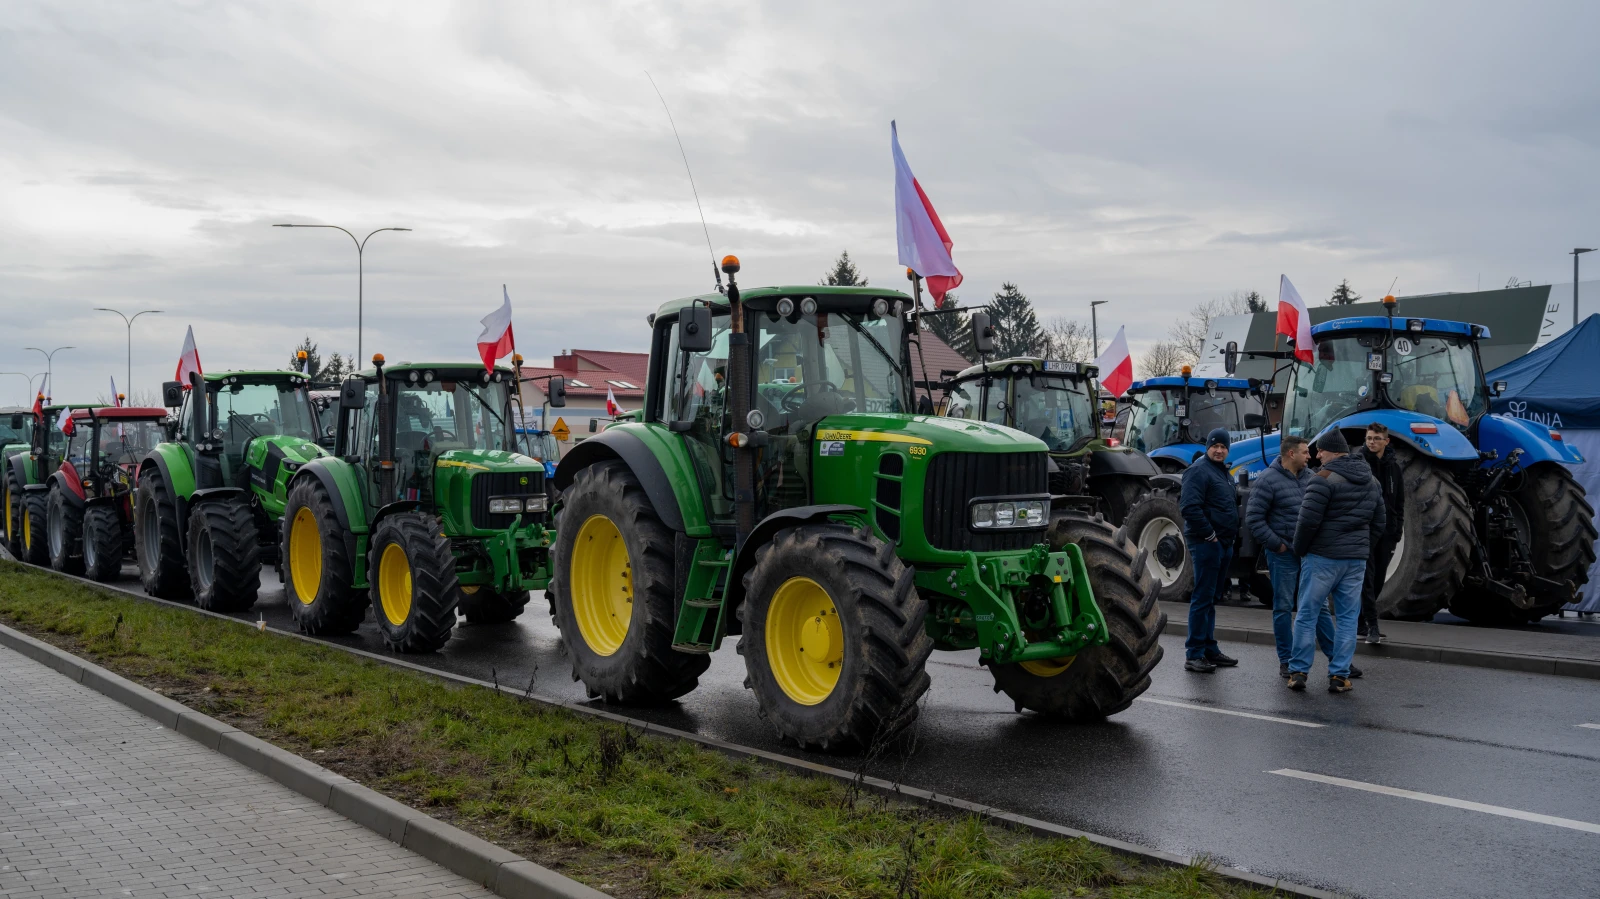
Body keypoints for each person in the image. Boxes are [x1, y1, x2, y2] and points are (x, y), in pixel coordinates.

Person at [1288, 430, 1385, 693]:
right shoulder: (1372, 482)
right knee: (1347, 618)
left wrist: (1300, 550)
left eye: (1321, 450)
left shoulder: (1323, 479)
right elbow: (1379, 523)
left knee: (1307, 615)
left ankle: (1298, 671)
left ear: (1333, 450)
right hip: (1354, 562)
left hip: (1321, 558)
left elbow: (1307, 522)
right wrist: (1360, 547)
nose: (1317, 455)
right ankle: (1339, 676)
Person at [1246, 435, 1340, 679]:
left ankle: (1338, 661)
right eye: (1305, 452)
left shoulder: (1311, 478)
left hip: (1309, 554)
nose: (1310, 456)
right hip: (1283, 555)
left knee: (1318, 606)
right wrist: (1277, 545)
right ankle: (1286, 660)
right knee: (1284, 607)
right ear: (1291, 454)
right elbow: (1254, 519)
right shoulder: (1267, 480)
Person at [1178, 427, 1240, 673]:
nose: (1219, 450)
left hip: (1222, 543)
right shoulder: (1198, 471)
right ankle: (1194, 654)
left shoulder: (1224, 472)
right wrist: (1211, 535)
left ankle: (1209, 649)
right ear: (1208, 447)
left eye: (1224, 447)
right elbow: (1189, 508)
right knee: (1202, 598)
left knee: (1212, 598)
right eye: (1215, 446)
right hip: (1206, 542)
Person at [1359, 422, 1403, 644]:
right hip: (1365, 531)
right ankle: (1371, 626)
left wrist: (1396, 531)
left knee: (1377, 581)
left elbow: (1399, 501)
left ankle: (1360, 622)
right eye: (1369, 438)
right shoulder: (1359, 465)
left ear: (1386, 441)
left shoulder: (1394, 468)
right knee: (1366, 580)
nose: (1372, 442)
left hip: (1386, 533)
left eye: (1376, 438)